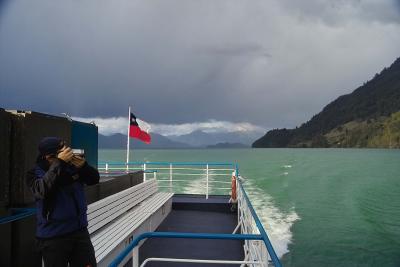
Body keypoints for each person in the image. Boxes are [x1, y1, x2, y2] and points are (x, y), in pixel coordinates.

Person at [26, 137, 100, 267]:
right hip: (53, 237)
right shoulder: (34, 173)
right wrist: (59, 163)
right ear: (49, 156)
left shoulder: (72, 167)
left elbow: (94, 179)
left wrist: (84, 166)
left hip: (79, 232)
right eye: (62, 151)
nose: (67, 153)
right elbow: (41, 191)